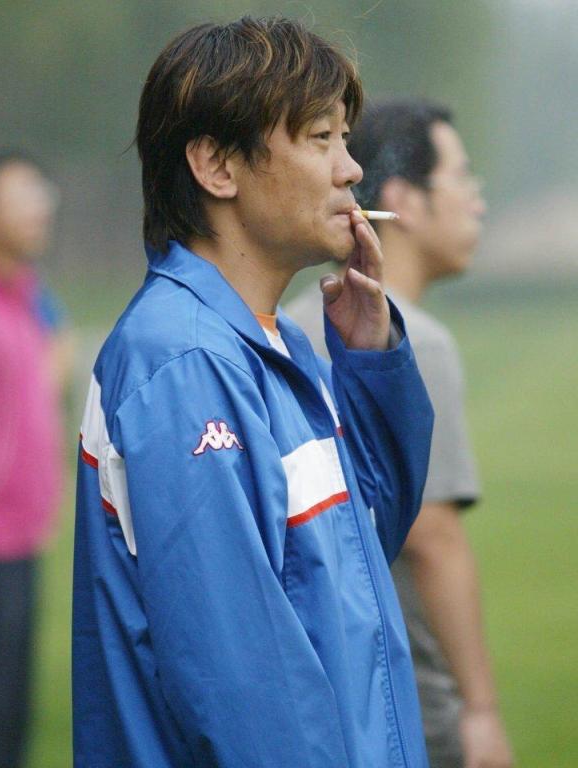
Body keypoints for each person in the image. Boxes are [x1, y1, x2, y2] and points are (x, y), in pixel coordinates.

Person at [73, 17, 435, 768]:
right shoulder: (184, 362)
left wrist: (373, 363)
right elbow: (243, 684)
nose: (351, 170)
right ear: (216, 166)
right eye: (320, 137)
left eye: (344, 139)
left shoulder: (275, 342)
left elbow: (365, 544)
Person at [288, 99, 514, 768]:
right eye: (462, 178)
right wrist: (480, 711)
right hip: (406, 691)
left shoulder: (294, 322)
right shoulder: (413, 342)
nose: (477, 202)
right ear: (403, 202)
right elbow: (433, 540)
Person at [0, 149, 70, 768]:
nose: (37, 209)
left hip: (22, 536)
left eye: (40, 194)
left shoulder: (28, 295)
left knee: (8, 713)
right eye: (18, 197)